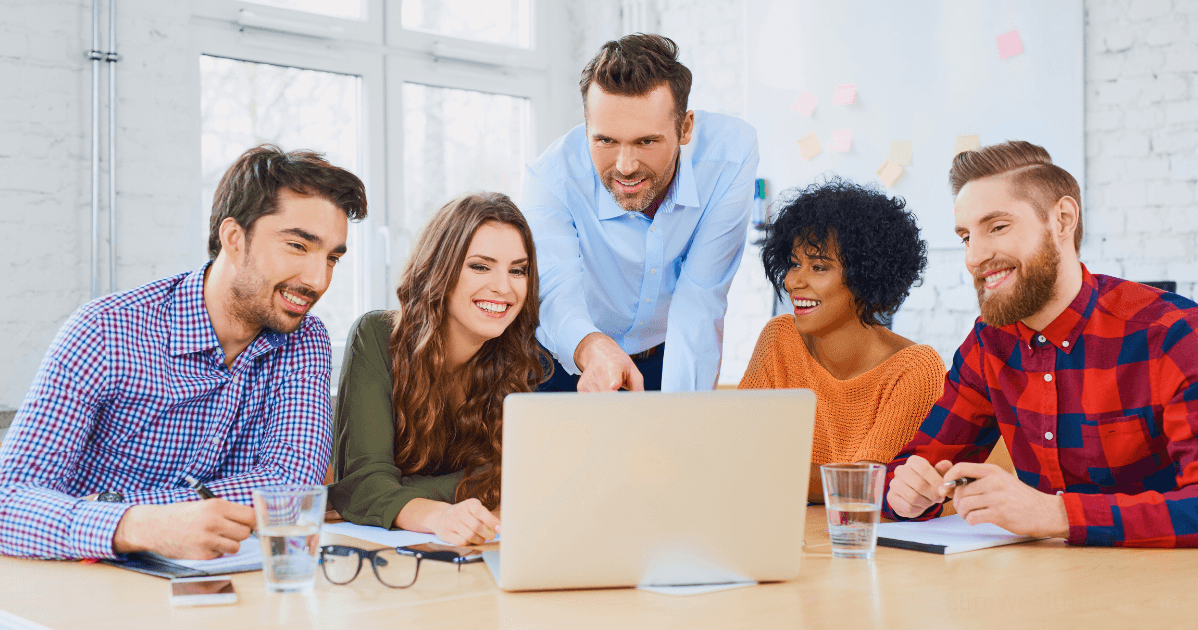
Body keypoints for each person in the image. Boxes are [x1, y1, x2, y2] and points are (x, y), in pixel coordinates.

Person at [0, 145, 366, 560]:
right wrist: (135, 526)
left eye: (332, 258)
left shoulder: (305, 340)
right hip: (87, 573)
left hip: (221, 576)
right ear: (234, 239)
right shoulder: (105, 331)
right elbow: (7, 502)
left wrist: (122, 506)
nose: (318, 280)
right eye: (298, 246)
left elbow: (292, 486)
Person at [883, 140, 1198, 547]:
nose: (974, 257)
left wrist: (1057, 514)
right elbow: (914, 467)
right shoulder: (988, 344)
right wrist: (907, 493)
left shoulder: (1173, 335)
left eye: (997, 227)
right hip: (1044, 579)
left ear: (1063, 219)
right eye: (965, 237)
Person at [524, 33, 759, 392]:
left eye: (646, 141)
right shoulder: (552, 177)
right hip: (568, 353)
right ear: (586, 127)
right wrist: (591, 347)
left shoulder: (730, 155)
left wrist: (685, 415)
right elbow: (555, 292)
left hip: (666, 354)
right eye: (605, 140)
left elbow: (701, 296)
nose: (626, 166)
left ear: (685, 128)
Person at [327, 193, 545, 546]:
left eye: (517, 270)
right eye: (480, 266)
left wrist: (393, 493)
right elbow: (362, 485)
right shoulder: (376, 337)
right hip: (388, 555)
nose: (503, 287)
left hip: (475, 546)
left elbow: (514, 478)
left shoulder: (523, 356)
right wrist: (439, 514)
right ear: (439, 268)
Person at [738, 179, 945, 502]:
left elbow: (867, 484)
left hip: (860, 532)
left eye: (819, 267)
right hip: (780, 523)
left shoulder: (914, 369)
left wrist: (765, 470)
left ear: (866, 277)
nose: (794, 281)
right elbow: (735, 450)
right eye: (794, 264)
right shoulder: (779, 337)